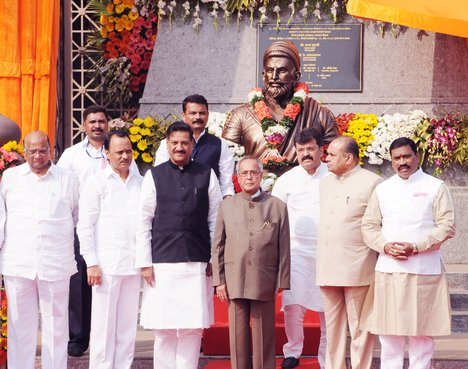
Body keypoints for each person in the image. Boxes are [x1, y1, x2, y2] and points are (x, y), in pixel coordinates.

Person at [360, 137, 456, 369]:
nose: (402, 162)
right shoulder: (382, 189)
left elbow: (447, 226)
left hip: (424, 271)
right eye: (397, 158)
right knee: (389, 334)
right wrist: (384, 246)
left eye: (406, 156)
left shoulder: (435, 186)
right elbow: (368, 226)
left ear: (417, 156)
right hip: (389, 270)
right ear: (391, 161)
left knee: (421, 335)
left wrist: (416, 246)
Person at [135, 121, 222, 369]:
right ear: (167, 144)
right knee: (163, 329)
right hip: (162, 263)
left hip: (196, 262)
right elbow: (143, 220)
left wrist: (214, 258)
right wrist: (144, 263)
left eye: (185, 142)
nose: (180, 147)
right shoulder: (154, 175)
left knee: (192, 328)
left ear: (192, 144)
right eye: (175, 143)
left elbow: (215, 219)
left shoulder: (206, 174)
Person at [0, 131, 79, 369]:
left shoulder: (67, 178)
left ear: (51, 150)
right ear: (24, 152)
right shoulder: (11, 178)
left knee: (56, 326)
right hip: (18, 263)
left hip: (56, 262)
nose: (37, 156)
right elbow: (2, 219)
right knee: (19, 327)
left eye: (42, 150)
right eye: (32, 151)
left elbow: (76, 216)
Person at [212, 156, 291, 369]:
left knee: (264, 334)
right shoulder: (227, 205)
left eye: (253, 172)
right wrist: (219, 280)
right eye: (244, 173)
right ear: (237, 177)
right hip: (234, 277)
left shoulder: (277, 207)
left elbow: (283, 246)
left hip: (264, 277)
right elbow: (218, 244)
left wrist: (281, 279)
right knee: (237, 336)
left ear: (261, 175)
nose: (249, 177)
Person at [77, 130, 143, 369]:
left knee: (127, 329)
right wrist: (92, 262)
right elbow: (84, 226)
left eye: (128, 151)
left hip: (133, 265)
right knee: (103, 328)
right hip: (105, 266)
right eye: (119, 152)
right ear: (106, 153)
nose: (125, 156)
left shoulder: (141, 183)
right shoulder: (96, 183)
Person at [317, 136, 381, 369]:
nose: (326, 160)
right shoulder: (325, 183)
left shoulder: (372, 182)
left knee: (359, 327)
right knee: (332, 328)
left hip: (357, 266)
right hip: (327, 264)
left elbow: (376, 225)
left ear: (349, 157)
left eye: (332, 155)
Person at [222, 41, 338, 170]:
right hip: (256, 186)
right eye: (270, 70)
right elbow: (226, 160)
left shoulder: (318, 114)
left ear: (296, 76)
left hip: (302, 185)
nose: (274, 77)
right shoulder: (240, 114)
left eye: (282, 71)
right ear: (263, 75)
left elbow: (335, 157)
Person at [271, 128, 328, 369]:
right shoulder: (287, 179)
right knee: (293, 306)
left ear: (321, 150)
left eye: (310, 149)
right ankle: (293, 352)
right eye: (301, 150)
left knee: (329, 309)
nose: (305, 154)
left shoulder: (333, 176)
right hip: (294, 252)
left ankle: (328, 358)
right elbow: (275, 218)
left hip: (328, 252)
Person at [57, 104, 111, 357]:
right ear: (84, 125)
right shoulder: (71, 155)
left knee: (106, 284)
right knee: (79, 285)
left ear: (108, 124)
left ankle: (104, 336)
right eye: (92, 122)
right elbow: (62, 190)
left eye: (101, 121)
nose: (97, 125)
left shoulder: (118, 150)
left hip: (110, 229)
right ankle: (78, 338)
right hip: (80, 228)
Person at [154, 94, 235, 198]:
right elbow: (160, 177)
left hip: (208, 206)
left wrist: (227, 207)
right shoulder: (168, 144)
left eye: (202, 113)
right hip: (174, 203)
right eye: (193, 113)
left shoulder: (219, 145)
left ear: (208, 115)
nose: (198, 117)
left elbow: (226, 185)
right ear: (183, 115)